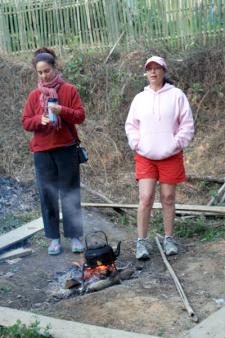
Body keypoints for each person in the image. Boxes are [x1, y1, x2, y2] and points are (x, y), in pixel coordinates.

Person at [125, 56, 194, 260]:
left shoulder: (176, 95)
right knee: (145, 198)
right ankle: (141, 242)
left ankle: (169, 238)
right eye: (149, 69)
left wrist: (176, 143)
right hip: (145, 156)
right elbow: (131, 126)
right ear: (145, 73)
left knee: (168, 198)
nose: (153, 72)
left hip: (170, 155)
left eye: (157, 69)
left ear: (164, 71)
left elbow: (187, 124)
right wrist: (137, 144)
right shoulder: (140, 98)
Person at [22, 47, 86, 255]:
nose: (44, 75)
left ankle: (75, 237)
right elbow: (25, 122)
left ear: (54, 68)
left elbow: (80, 116)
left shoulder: (68, 90)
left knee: (70, 193)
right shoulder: (34, 96)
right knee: (47, 196)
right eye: (40, 72)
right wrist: (37, 120)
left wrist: (62, 111)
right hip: (42, 152)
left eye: (47, 71)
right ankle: (54, 239)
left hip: (66, 149)